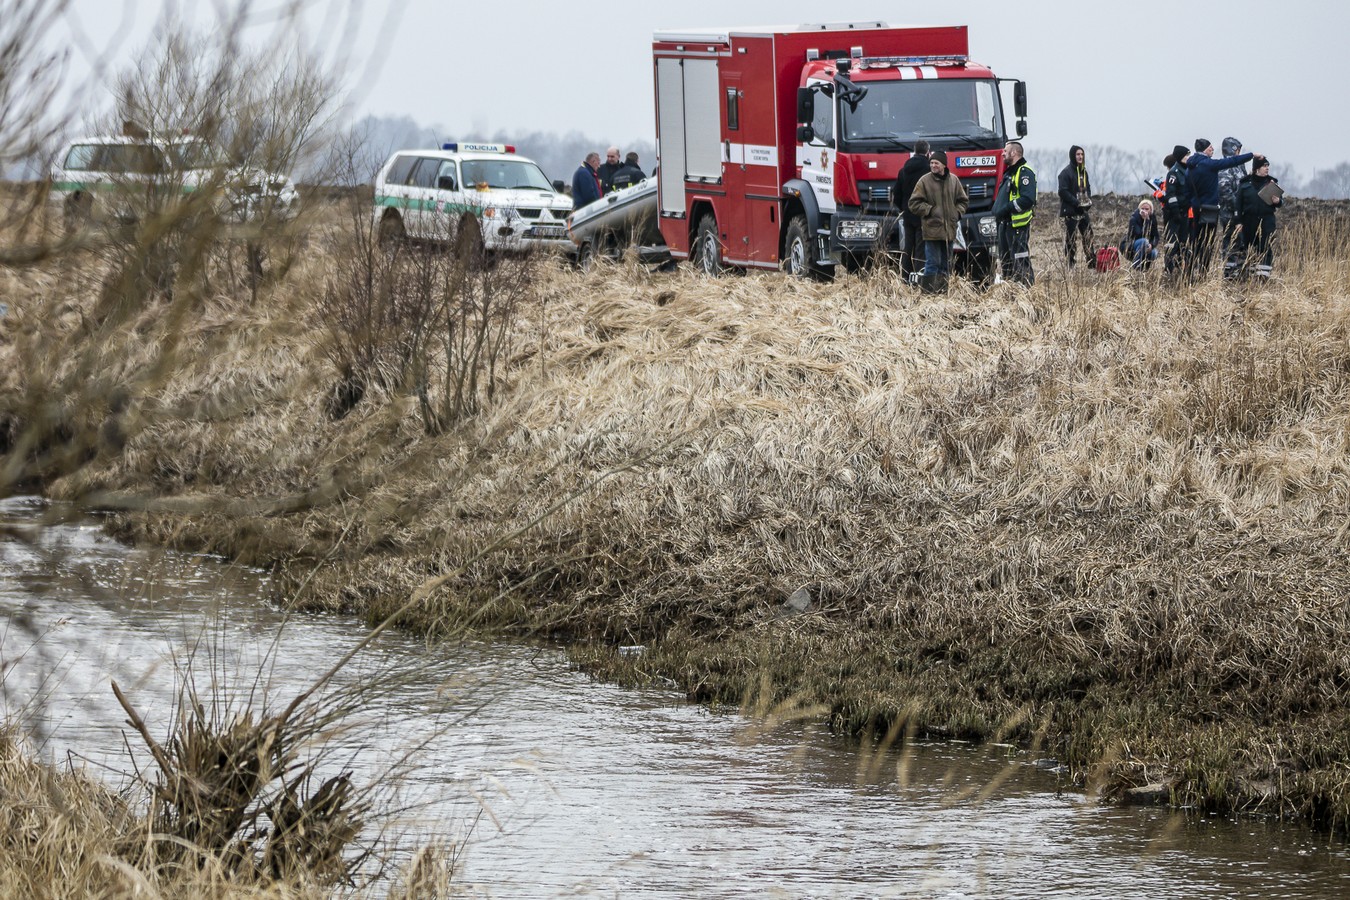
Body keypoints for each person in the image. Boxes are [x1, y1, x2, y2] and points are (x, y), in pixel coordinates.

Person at [1185, 137, 1255, 278]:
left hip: (1195, 209)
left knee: (1195, 242)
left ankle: (1191, 274)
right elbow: (1225, 184)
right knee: (1207, 243)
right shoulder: (1209, 165)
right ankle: (1206, 274)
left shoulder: (1190, 167)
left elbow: (1187, 191)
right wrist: (1252, 155)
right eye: (1210, 147)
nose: (1213, 150)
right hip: (1214, 210)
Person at [907, 150, 969, 292]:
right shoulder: (924, 181)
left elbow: (963, 201)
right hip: (932, 231)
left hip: (949, 231)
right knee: (932, 264)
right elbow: (913, 203)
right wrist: (930, 210)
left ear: (944, 165)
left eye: (936, 163)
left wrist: (957, 213)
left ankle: (943, 293)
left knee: (946, 265)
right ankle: (929, 295)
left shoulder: (954, 180)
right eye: (932, 163)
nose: (933, 165)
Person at [993, 140, 1036, 285]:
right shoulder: (1010, 172)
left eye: (1005, 151)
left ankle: (1025, 290)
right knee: (1006, 262)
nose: (1003, 153)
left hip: (1017, 226)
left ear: (1014, 153)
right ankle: (1010, 292)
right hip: (1005, 225)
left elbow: (1027, 199)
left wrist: (1007, 208)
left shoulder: (1024, 172)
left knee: (1020, 260)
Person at [1234, 155, 1282, 279]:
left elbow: (1280, 202)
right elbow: (1238, 205)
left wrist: (1277, 201)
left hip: (1266, 220)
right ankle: (1250, 276)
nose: (1267, 169)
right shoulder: (1244, 183)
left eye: (1267, 166)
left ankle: (1263, 277)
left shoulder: (1272, 183)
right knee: (1250, 247)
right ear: (1256, 168)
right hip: (1249, 220)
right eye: (1264, 166)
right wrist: (1238, 221)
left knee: (1265, 247)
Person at [892, 139, 930, 280]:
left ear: (914, 151)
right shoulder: (929, 170)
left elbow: (896, 194)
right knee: (921, 248)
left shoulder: (903, 170)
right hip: (923, 214)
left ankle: (905, 277)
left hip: (908, 215)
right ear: (927, 152)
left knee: (908, 247)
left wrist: (903, 208)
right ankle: (919, 277)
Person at [1057, 145, 1094, 268]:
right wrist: (1076, 202)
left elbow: (1087, 188)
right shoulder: (1065, 173)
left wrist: (1088, 201)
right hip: (1071, 211)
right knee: (1071, 240)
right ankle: (1070, 265)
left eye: (1082, 154)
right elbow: (1062, 191)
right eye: (1078, 154)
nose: (1080, 157)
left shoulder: (1084, 172)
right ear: (1073, 156)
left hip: (1083, 211)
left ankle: (1092, 264)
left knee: (1088, 235)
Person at [1217, 136, 1247, 276]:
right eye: (1238, 150)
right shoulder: (1226, 166)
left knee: (1241, 242)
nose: (1239, 152)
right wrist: (1237, 207)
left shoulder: (1239, 166)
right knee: (1230, 242)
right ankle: (1229, 273)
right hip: (1229, 213)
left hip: (1241, 213)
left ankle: (1239, 271)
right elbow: (1224, 190)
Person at [1162, 145, 1190, 277]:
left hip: (1185, 213)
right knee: (1171, 244)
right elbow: (1171, 194)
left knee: (1184, 243)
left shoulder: (1188, 171)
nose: (1188, 158)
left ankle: (1182, 270)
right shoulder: (1173, 173)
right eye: (1186, 156)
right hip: (1174, 214)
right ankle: (1169, 270)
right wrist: (1175, 211)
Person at [1126, 199, 1160, 269]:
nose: (1144, 211)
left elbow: (1156, 236)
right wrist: (1146, 221)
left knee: (1154, 253)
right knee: (1144, 241)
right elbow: (1140, 234)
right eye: (1142, 208)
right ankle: (1135, 267)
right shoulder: (1134, 219)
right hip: (1133, 245)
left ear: (1151, 210)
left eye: (1147, 209)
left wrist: (1152, 245)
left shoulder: (1153, 218)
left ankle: (1144, 269)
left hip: (1147, 245)